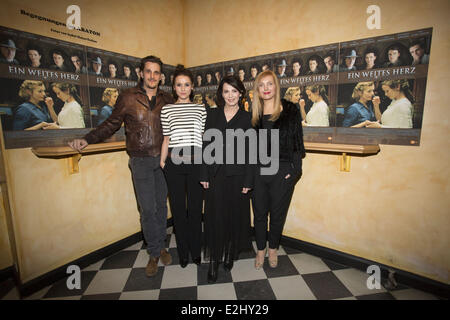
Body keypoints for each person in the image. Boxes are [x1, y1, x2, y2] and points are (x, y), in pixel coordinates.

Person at [68, 55, 174, 277]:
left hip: (164, 160)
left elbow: (177, 126)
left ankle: (162, 246)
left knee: (161, 207)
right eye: (149, 71)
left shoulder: (167, 99)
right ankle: (154, 252)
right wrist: (87, 138)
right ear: (141, 73)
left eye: (156, 72)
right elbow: (111, 123)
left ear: (161, 76)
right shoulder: (127, 98)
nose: (152, 76)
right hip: (140, 160)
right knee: (147, 209)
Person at [200, 75, 253, 283]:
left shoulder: (248, 118)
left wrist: (249, 181)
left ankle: (230, 254)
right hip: (215, 175)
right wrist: (203, 174)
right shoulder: (212, 115)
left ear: (240, 93)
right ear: (221, 94)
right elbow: (205, 146)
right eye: (226, 91)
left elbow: (251, 152)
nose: (230, 95)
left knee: (234, 216)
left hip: (238, 177)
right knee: (214, 218)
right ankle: (214, 261)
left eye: (234, 91)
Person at [251, 70, 305, 270]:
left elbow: (297, 140)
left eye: (269, 84)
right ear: (257, 89)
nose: (266, 88)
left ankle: (273, 249)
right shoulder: (254, 113)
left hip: (282, 170)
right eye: (261, 85)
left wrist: (295, 170)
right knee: (258, 214)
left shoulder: (290, 109)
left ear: (276, 86)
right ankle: (260, 250)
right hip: (258, 171)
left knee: (277, 214)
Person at [160, 65, 206, 269]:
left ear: (192, 87)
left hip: (196, 163)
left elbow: (204, 139)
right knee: (178, 211)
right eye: (179, 85)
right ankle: (184, 253)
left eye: (186, 84)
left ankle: (196, 251)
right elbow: (166, 138)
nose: (183, 88)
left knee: (196, 210)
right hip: (174, 164)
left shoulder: (201, 109)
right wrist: (162, 161)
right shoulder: (167, 110)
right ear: (174, 87)